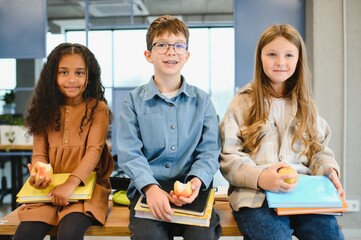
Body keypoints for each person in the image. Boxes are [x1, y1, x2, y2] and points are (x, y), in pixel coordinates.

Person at [219, 24, 345, 240]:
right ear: (260, 58)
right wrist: (261, 178)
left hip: (303, 195)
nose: (280, 62)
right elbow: (229, 158)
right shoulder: (240, 103)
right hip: (256, 197)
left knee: (329, 235)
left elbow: (319, 151)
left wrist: (328, 169)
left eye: (289, 55)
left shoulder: (306, 105)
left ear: (298, 60)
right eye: (271, 54)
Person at [116, 15, 221, 239]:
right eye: (162, 45)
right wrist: (150, 188)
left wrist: (196, 181)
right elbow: (129, 153)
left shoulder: (202, 101)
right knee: (150, 236)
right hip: (148, 191)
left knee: (202, 235)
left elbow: (210, 150)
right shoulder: (133, 101)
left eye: (178, 46)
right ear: (148, 54)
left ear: (187, 55)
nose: (171, 51)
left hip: (191, 189)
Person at [14, 43, 114, 240]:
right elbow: (40, 154)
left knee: (69, 233)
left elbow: (94, 152)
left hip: (85, 190)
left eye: (79, 73)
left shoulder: (97, 109)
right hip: (49, 190)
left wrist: (70, 183)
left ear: (88, 77)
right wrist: (38, 172)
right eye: (63, 72)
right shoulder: (44, 109)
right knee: (24, 235)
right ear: (53, 76)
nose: (72, 80)